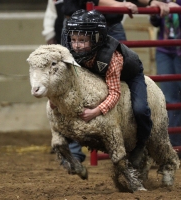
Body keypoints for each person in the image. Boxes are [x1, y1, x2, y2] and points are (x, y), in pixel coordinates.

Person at [61, 9, 153, 168]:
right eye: (73, 39)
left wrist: (95, 112)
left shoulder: (110, 57)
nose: (76, 45)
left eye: (82, 40)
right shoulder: (73, 55)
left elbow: (115, 92)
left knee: (140, 109)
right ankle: (72, 151)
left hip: (130, 74)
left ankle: (142, 144)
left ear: (96, 39)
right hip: (101, 75)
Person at [150, 1, 181, 157]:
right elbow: (154, 22)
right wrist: (156, 12)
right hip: (164, 48)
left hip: (177, 48)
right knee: (169, 99)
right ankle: (173, 146)